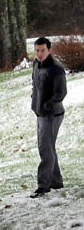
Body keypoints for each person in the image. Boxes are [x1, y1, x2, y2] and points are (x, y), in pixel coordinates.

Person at [30, 36, 67, 198]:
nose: (39, 54)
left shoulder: (56, 68)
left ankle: (43, 185)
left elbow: (61, 92)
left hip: (52, 114)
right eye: (37, 50)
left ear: (49, 50)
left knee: (45, 148)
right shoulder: (36, 64)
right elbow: (35, 85)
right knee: (48, 147)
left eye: (42, 50)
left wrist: (47, 105)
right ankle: (56, 181)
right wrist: (35, 102)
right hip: (40, 113)